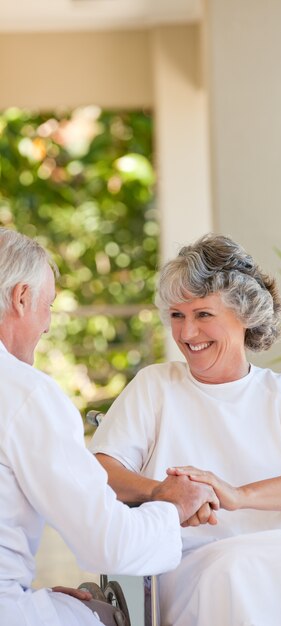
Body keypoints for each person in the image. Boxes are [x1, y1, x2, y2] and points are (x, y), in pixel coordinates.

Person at [90, 233, 281, 626]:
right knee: (235, 569)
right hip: (192, 564)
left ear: (244, 315)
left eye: (203, 315)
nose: (186, 333)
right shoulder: (155, 386)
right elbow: (100, 471)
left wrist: (238, 495)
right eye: (177, 316)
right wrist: (162, 493)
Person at [0, 227, 219, 626]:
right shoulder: (24, 393)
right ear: (21, 298)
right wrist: (170, 505)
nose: (47, 325)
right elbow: (108, 543)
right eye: (47, 306)